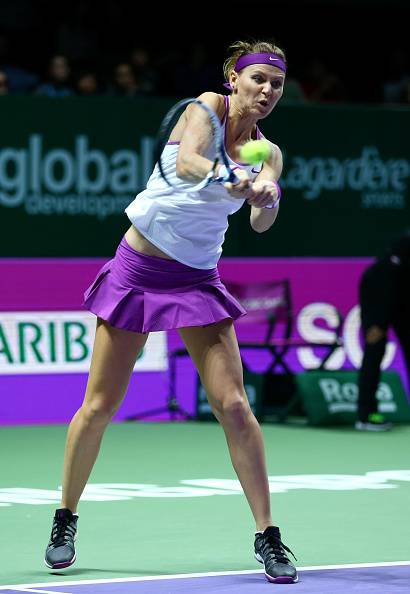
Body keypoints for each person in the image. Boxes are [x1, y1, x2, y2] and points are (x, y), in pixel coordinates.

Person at [44, 39, 298, 585]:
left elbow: (260, 223)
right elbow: (187, 163)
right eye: (258, 78)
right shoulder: (204, 107)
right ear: (234, 78)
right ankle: (65, 517)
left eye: (276, 84)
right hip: (138, 271)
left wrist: (267, 197)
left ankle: (269, 534)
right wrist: (229, 178)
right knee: (99, 406)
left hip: (198, 279)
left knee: (235, 406)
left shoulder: (267, 151)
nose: (267, 90)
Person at [356, 230, 410, 431]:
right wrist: (377, 322)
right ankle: (367, 415)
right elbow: (386, 281)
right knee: (375, 350)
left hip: (402, 296)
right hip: (378, 294)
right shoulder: (403, 245)